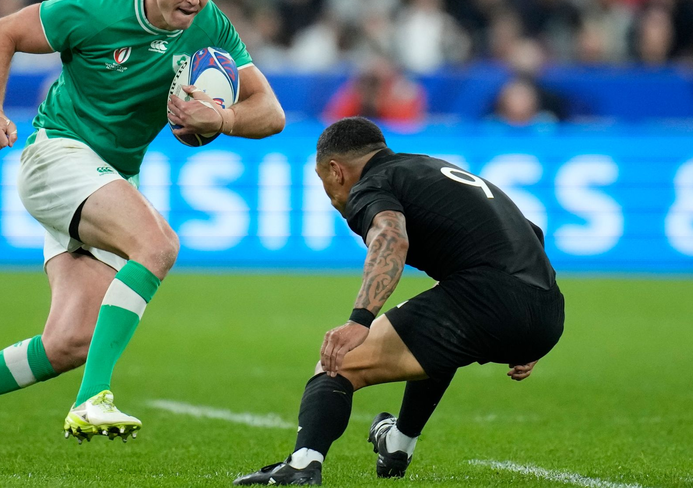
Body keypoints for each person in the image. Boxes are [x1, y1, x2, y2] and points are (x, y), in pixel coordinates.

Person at [0, 0, 285, 470]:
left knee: (68, 343)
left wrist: (220, 117)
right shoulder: (96, 9)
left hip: (105, 178)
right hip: (57, 157)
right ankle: (92, 399)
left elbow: (272, 113)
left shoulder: (210, 27)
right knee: (158, 245)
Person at [234, 117, 563, 485]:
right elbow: (531, 232)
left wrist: (359, 320)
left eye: (323, 182)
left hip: (489, 297)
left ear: (335, 170)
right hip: (546, 310)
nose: (329, 195)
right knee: (437, 333)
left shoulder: (372, 184)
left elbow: (391, 238)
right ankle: (398, 443)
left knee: (338, 364)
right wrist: (532, 324)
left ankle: (302, 464)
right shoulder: (428, 166)